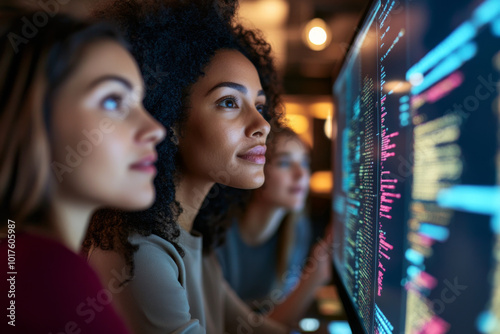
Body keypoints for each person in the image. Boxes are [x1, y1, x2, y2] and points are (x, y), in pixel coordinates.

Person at [83, 1, 289, 333]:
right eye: (229, 102)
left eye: (260, 105)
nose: (261, 124)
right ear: (169, 121)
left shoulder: (191, 238)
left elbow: (248, 328)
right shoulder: (139, 254)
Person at [0, 13, 165, 333]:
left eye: (140, 102)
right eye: (113, 101)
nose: (154, 129)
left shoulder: (17, 259)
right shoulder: (47, 272)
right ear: (32, 118)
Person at [213, 126, 332, 327]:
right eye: (284, 163)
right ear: (255, 168)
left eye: (305, 162)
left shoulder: (297, 230)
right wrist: (314, 278)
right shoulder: (218, 234)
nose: (301, 173)